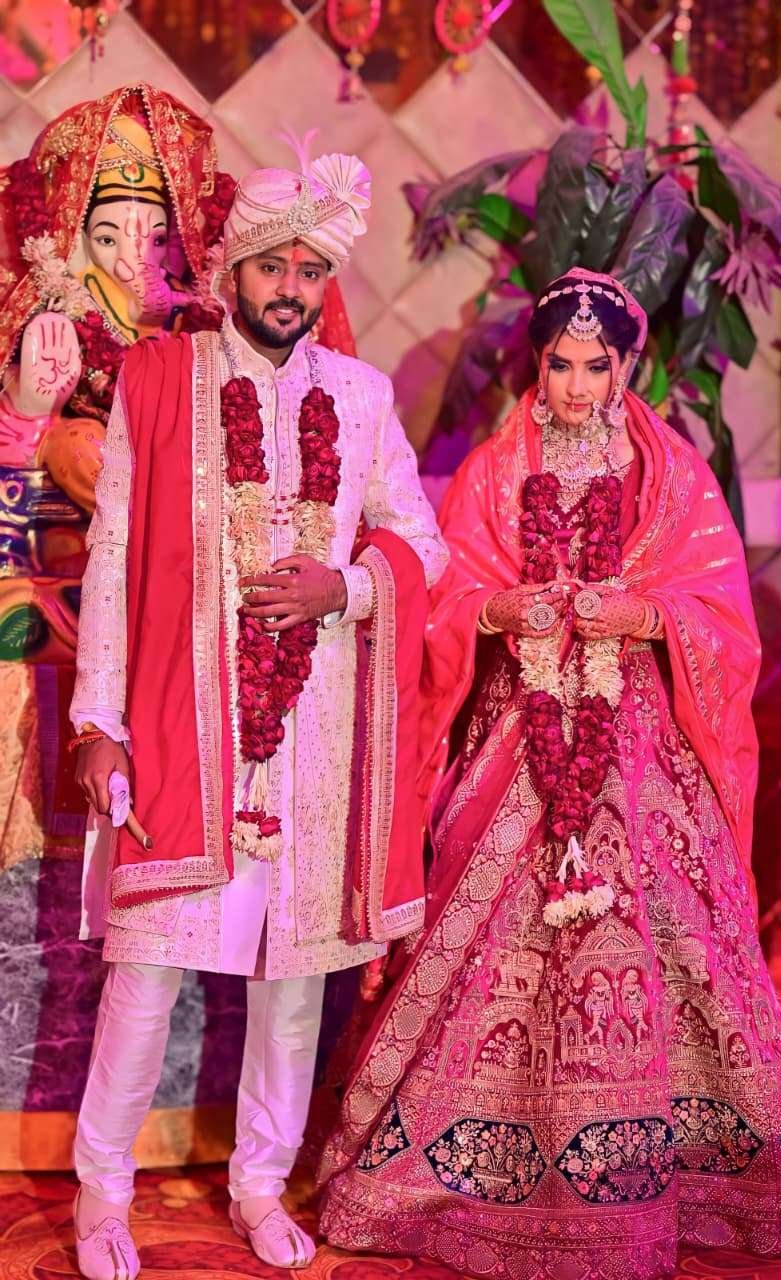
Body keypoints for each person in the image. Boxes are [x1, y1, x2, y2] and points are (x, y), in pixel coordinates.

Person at [318, 267, 781, 1279]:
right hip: (521, 722)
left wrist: (643, 615)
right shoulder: (493, 470)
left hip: (639, 733)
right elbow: (446, 597)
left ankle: (696, 1175)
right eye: (559, 365)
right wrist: (498, 610)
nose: (575, 385)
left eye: (595, 366)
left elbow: (720, 612)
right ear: (538, 363)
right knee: (486, 916)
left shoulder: (672, 474)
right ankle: (460, 1160)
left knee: (670, 922)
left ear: (625, 367)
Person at [69, 151, 448, 1279]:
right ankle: (101, 1197)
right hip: (183, 724)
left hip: (317, 735)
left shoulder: (360, 396)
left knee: (294, 983)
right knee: (147, 972)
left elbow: (421, 541)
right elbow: (111, 555)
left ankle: (259, 1184)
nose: (291, 286)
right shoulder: (158, 380)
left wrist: (350, 585)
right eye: (273, 265)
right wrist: (98, 721)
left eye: (311, 269)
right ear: (233, 270)